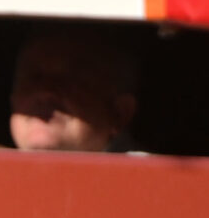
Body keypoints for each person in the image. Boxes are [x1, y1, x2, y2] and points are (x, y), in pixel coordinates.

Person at [9, 27, 140, 153]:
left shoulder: (145, 168)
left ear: (119, 113)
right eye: (33, 77)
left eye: (69, 80)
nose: (45, 93)